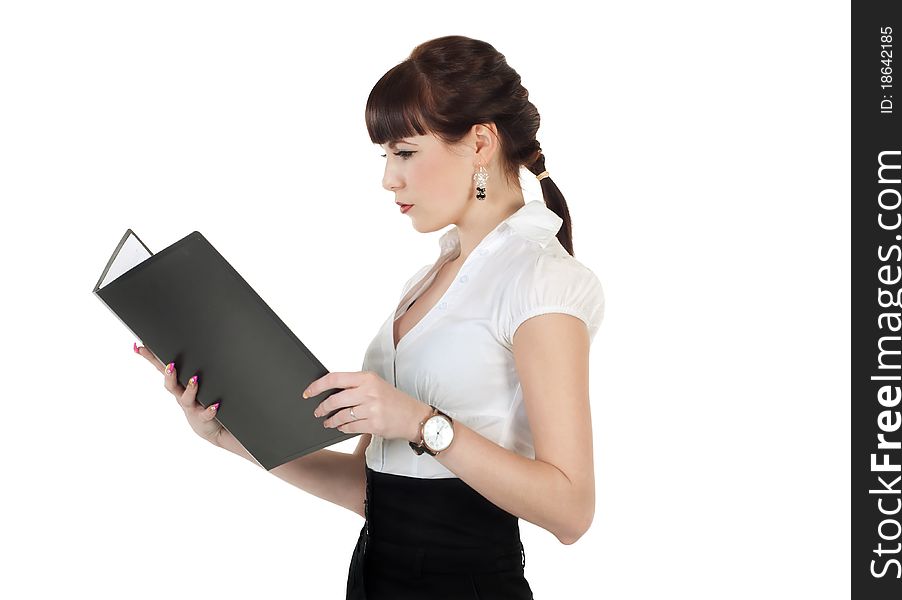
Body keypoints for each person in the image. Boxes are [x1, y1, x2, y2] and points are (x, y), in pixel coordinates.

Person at [134, 35, 604, 600]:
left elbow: (571, 510)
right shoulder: (429, 279)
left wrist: (420, 422)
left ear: (480, 141)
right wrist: (232, 436)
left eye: (404, 152)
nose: (389, 178)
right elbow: (368, 488)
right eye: (386, 157)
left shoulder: (540, 280)